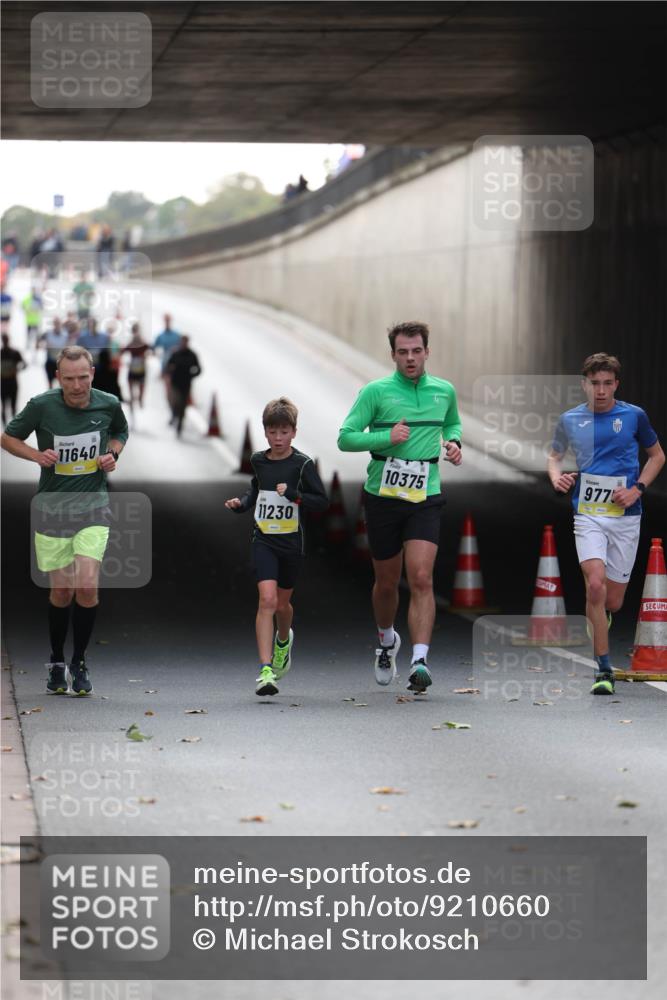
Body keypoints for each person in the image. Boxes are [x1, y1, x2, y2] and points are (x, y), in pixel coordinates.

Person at [338, 321, 462, 693]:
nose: (410, 358)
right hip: (383, 497)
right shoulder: (375, 392)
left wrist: (454, 443)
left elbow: (452, 423)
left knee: (422, 578)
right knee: (387, 583)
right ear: (393, 354)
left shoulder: (444, 391)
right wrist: (386, 437)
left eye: (416, 351)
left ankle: (420, 660)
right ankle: (387, 639)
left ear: (427, 351)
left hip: (426, 495)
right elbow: (345, 438)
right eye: (403, 352)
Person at [1, 346, 129, 696]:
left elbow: (120, 432)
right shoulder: (42, 405)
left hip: (93, 508)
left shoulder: (108, 404)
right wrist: (36, 456)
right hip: (53, 509)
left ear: (92, 373)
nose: (77, 385)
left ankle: (80, 661)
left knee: (86, 586)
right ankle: (57, 659)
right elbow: (8, 438)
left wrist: (112, 454)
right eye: (69, 378)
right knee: (61, 590)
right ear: (59, 377)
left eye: (83, 377)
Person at [548, 352, 664, 695]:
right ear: (585, 384)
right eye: (594, 384)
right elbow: (554, 457)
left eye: (607, 384)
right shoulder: (570, 419)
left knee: (612, 601)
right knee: (594, 585)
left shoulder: (633, 416)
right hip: (588, 514)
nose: (600, 391)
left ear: (617, 384)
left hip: (626, 517)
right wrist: (557, 479)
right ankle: (603, 668)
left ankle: (603, 614)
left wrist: (637, 490)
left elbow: (657, 456)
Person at [225, 397, 329, 696]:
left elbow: (321, 501)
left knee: (283, 605)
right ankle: (265, 669)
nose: (278, 438)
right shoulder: (258, 460)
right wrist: (241, 504)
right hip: (264, 541)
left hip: (291, 544)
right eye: (273, 432)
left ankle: (284, 640)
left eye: (284, 432)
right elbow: (254, 490)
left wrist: (295, 495)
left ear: (294, 432)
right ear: (265, 432)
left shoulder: (302, 464)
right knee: (267, 600)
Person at [166, 335, 201, 437]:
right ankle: (174, 415)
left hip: (186, 384)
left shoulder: (192, 355)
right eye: (182, 342)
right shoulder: (175, 354)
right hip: (175, 383)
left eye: (185, 342)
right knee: (175, 402)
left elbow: (199, 369)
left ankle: (180, 424)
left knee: (183, 405)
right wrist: (170, 371)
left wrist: (192, 375)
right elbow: (168, 366)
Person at [153, 313, 182, 417]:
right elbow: (153, 347)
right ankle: (172, 411)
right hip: (166, 366)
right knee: (168, 391)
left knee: (178, 389)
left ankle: (180, 407)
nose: (167, 322)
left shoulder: (177, 335)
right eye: (165, 320)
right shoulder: (161, 336)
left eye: (168, 320)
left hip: (177, 366)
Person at [123, 323, 151, 411]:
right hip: (134, 365)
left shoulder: (139, 340)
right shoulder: (134, 341)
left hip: (140, 366)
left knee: (141, 382)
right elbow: (124, 349)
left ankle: (140, 398)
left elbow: (149, 348)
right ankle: (134, 398)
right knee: (132, 381)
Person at [1, 333, 26, 424]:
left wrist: (16, 370)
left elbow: (24, 364)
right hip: (9, 381)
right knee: (9, 405)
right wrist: (16, 369)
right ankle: (10, 425)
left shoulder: (13, 353)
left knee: (8, 404)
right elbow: (24, 364)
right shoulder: (14, 352)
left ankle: (9, 425)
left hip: (7, 381)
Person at [40, 317, 69, 387]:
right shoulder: (48, 333)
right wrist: (43, 345)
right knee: (50, 383)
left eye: (58, 323)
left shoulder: (65, 334)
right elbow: (39, 342)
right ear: (53, 324)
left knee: (62, 383)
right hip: (50, 361)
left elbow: (68, 347)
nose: (57, 325)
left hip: (61, 363)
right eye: (55, 323)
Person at [21, 288, 43, 357]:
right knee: (29, 334)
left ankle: (36, 347)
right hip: (29, 320)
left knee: (36, 335)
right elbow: (22, 305)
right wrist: (26, 310)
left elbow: (42, 307)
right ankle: (28, 345)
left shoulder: (38, 299)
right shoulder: (28, 298)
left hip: (36, 320)